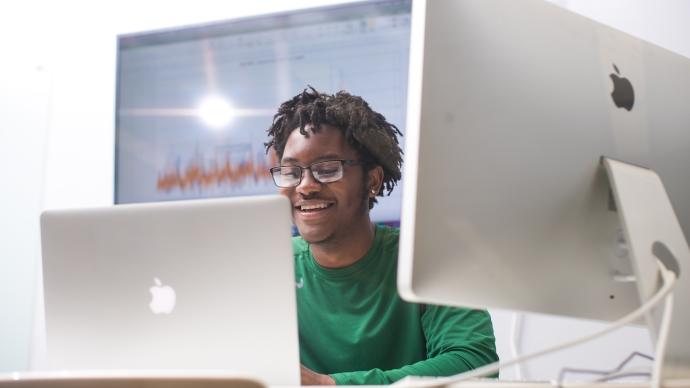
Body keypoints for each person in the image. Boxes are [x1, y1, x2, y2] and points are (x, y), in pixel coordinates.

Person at [265, 87, 498, 385]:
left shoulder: (429, 259)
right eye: (291, 171)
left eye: (327, 169)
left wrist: (331, 385)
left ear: (372, 181)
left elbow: (475, 364)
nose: (305, 186)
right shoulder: (269, 267)